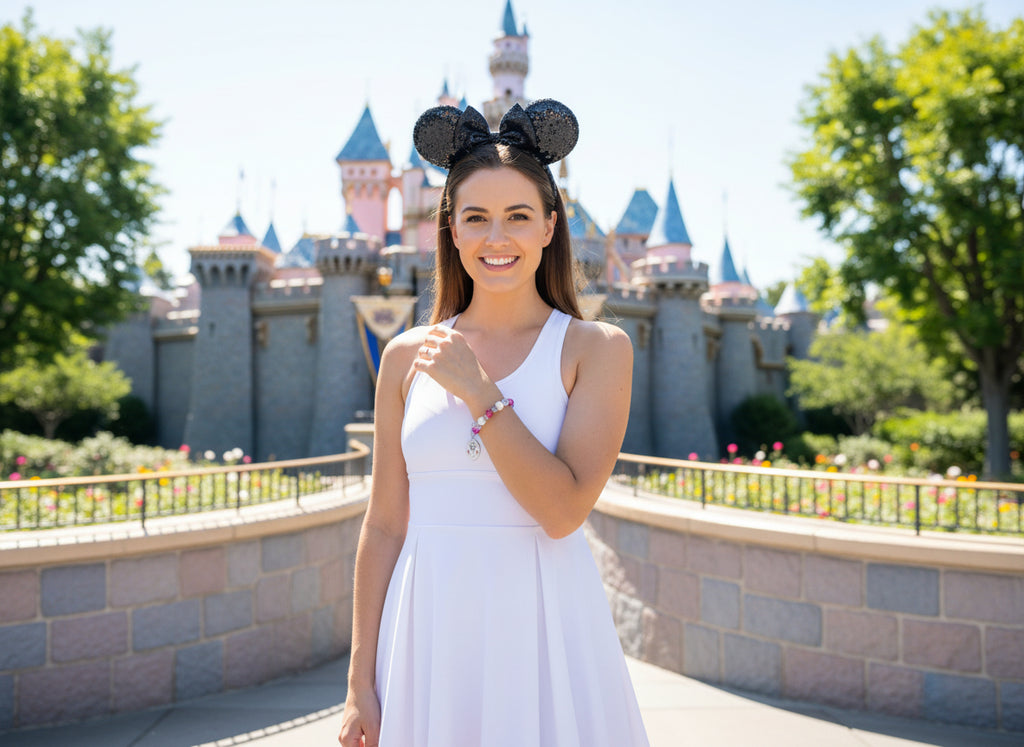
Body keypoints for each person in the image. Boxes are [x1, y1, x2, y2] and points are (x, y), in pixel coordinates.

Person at [338, 99, 649, 747]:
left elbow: (562, 511)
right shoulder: (402, 357)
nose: (496, 237)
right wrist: (358, 683)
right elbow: (385, 525)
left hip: (545, 632)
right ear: (449, 229)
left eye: (517, 216)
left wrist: (479, 393)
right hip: (425, 634)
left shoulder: (596, 349)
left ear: (548, 227)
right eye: (475, 217)